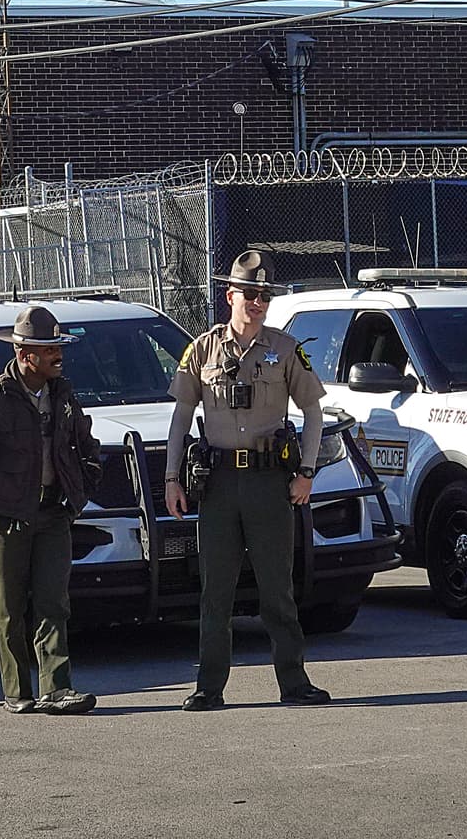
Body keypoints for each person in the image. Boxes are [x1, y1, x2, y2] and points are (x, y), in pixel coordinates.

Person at [163, 249, 332, 711]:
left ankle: (294, 683)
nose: (258, 303)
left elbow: (313, 412)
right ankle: (209, 687)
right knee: (214, 590)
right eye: (250, 294)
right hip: (217, 484)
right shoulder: (201, 349)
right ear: (229, 295)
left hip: (268, 484)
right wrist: (172, 478)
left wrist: (307, 472)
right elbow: (181, 417)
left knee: (277, 588)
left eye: (265, 296)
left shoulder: (285, 349)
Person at [0, 305, 104, 714]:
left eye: (59, 347)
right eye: (48, 348)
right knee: (8, 609)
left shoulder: (63, 393)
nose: (58, 355)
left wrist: (81, 491)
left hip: (53, 515)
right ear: (24, 354)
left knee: (54, 603)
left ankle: (57, 689)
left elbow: (86, 444)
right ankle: (18, 692)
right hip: (6, 521)